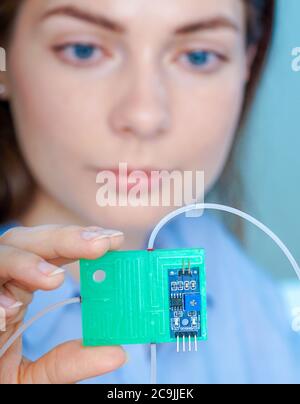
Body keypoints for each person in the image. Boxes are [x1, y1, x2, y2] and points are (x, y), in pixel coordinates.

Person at [0, 0, 298, 384]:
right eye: (83, 50)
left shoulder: (226, 267)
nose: (145, 116)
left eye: (198, 56)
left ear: (247, 62)